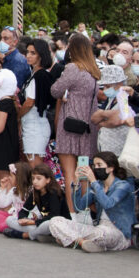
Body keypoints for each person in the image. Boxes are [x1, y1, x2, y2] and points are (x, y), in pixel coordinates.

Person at [51, 33, 100, 209]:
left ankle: (73, 213)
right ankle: (86, 211)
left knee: (70, 173)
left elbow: (56, 91)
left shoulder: (73, 68)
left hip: (70, 124)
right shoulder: (94, 71)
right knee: (84, 173)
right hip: (89, 127)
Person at [48, 151, 134, 252]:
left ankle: (70, 239)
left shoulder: (123, 186)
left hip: (118, 233)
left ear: (111, 168)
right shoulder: (98, 186)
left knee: (103, 234)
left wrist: (93, 182)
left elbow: (108, 204)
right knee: (55, 221)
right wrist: (76, 182)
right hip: (98, 228)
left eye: (99, 165)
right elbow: (78, 207)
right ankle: (82, 242)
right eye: (94, 165)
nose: (96, 168)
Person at [16, 38, 53, 165]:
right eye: (28, 52)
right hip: (30, 124)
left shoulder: (41, 75)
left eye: (33, 53)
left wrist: (18, 116)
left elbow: (30, 102)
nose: (28, 56)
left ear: (41, 55)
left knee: (35, 168)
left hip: (36, 125)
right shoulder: (33, 74)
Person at [4, 163, 65, 241]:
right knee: (9, 220)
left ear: (48, 180)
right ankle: (39, 234)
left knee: (48, 224)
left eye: (38, 179)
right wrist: (22, 219)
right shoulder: (35, 192)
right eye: (33, 178)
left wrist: (31, 222)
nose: (35, 182)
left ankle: (25, 235)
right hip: (39, 224)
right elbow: (24, 210)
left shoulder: (54, 193)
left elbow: (54, 217)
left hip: (56, 225)